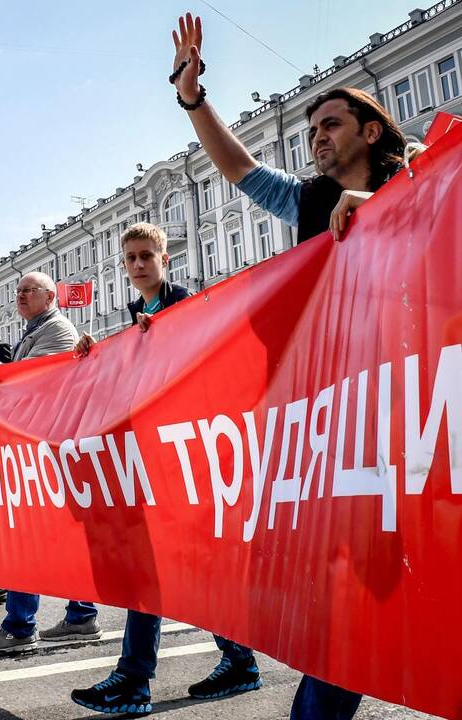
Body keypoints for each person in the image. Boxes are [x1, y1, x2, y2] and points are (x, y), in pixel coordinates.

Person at [169, 14, 407, 718]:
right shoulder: (306, 198)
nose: (317, 138)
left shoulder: (419, 179)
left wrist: (389, 212)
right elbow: (239, 169)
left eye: (330, 124)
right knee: (348, 594)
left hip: (418, 414)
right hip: (343, 422)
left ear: (369, 130)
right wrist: (191, 99)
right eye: (310, 130)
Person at [70, 223, 258, 715]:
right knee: (153, 568)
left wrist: (160, 340)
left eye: (145, 256)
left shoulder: (186, 305)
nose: (137, 265)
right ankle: (144, 677)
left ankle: (228, 662)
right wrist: (101, 354)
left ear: (165, 259)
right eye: (130, 258)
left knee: (189, 565)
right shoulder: (139, 315)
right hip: (154, 457)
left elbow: (202, 366)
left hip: (189, 457)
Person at [0, 271, 101, 653]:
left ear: (50, 296)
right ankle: (79, 615)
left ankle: (20, 625)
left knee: (26, 535)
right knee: (50, 535)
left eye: (29, 291)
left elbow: (33, 377)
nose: (20, 297)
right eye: (18, 292)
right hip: (43, 443)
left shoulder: (57, 329)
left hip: (49, 443)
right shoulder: (35, 329)